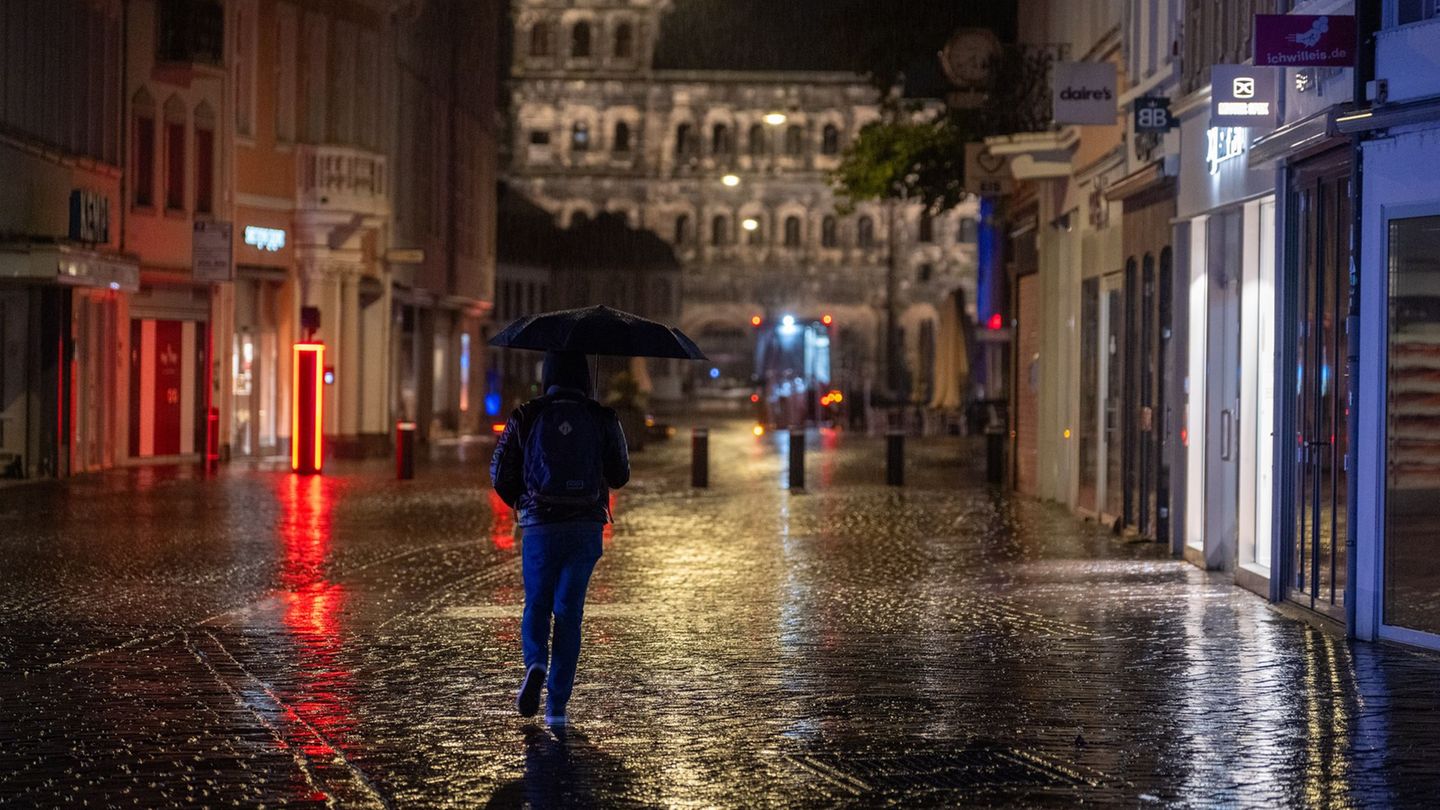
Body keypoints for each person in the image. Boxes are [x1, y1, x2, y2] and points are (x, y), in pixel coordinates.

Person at [490, 351, 630, 726]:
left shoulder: (526, 415)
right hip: (585, 528)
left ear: (546, 374)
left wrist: (524, 502)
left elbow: (500, 471)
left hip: (539, 526)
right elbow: (620, 475)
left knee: (537, 602)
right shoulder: (602, 417)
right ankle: (557, 707)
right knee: (569, 614)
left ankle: (535, 661)